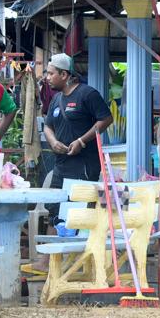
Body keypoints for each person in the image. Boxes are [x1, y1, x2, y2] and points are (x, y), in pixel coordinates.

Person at [41, 53, 113, 234]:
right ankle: (48, 259)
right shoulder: (56, 99)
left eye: (51, 74)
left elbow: (106, 119)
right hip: (61, 165)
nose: (47, 78)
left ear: (64, 75)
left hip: (84, 165)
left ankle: (79, 258)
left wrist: (82, 141)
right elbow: (48, 126)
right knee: (54, 209)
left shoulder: (87, 94)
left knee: (80, 211)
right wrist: (53, 141)